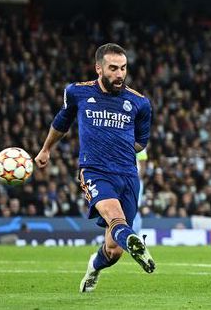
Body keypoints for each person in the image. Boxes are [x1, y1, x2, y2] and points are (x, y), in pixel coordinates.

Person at [35, 43, 155, 293]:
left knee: (113, 251)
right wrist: (46, 149)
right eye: (113, 68)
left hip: (128, 175)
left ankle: (94, 266)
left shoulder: (140, 103)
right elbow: (61, 123)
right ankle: (137, 244)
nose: (119, 74)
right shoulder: (77, 92)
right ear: (98, 68)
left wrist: (115, 144)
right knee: (116, 217)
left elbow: (140, 142)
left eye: (123, 68)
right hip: (95, 171)